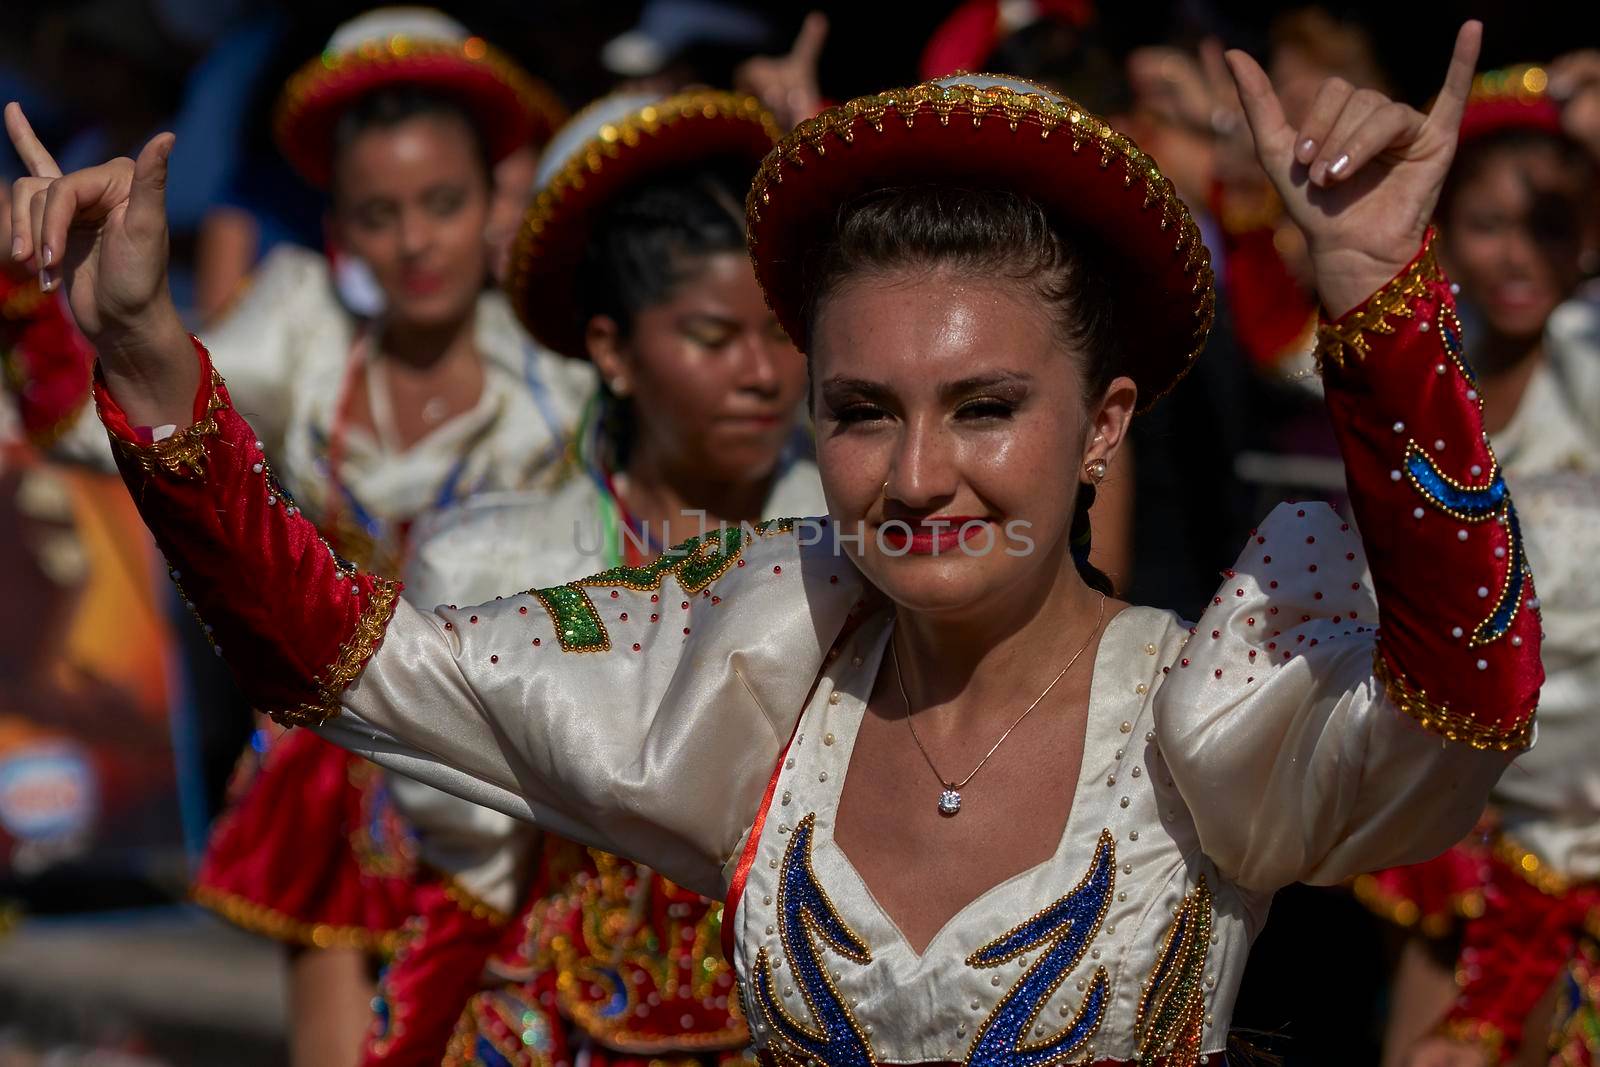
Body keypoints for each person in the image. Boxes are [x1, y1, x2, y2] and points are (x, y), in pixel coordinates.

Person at [8, 20, 1544, 1064]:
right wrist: (144, 356)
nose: (922, 471)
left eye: (989, 406)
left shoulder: (1208, 716)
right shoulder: (745, 680)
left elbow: (1469, 693)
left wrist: (1379, 312)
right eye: (865, 410)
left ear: (1104, 423)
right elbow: (344, 658)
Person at [379, 88, 821, 1065]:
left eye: (783, 332)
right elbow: (468, 860)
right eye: (712, 338)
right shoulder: (499, 564)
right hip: (556, 1018)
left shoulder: (844, 535)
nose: (762, 372)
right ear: (612, 350)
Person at [1347, 62, 1600, 1067]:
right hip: (1462, 815)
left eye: (1547, 227)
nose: (1516, 256)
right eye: (1488, 223)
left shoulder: (1591, 361)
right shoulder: (1429, 378)